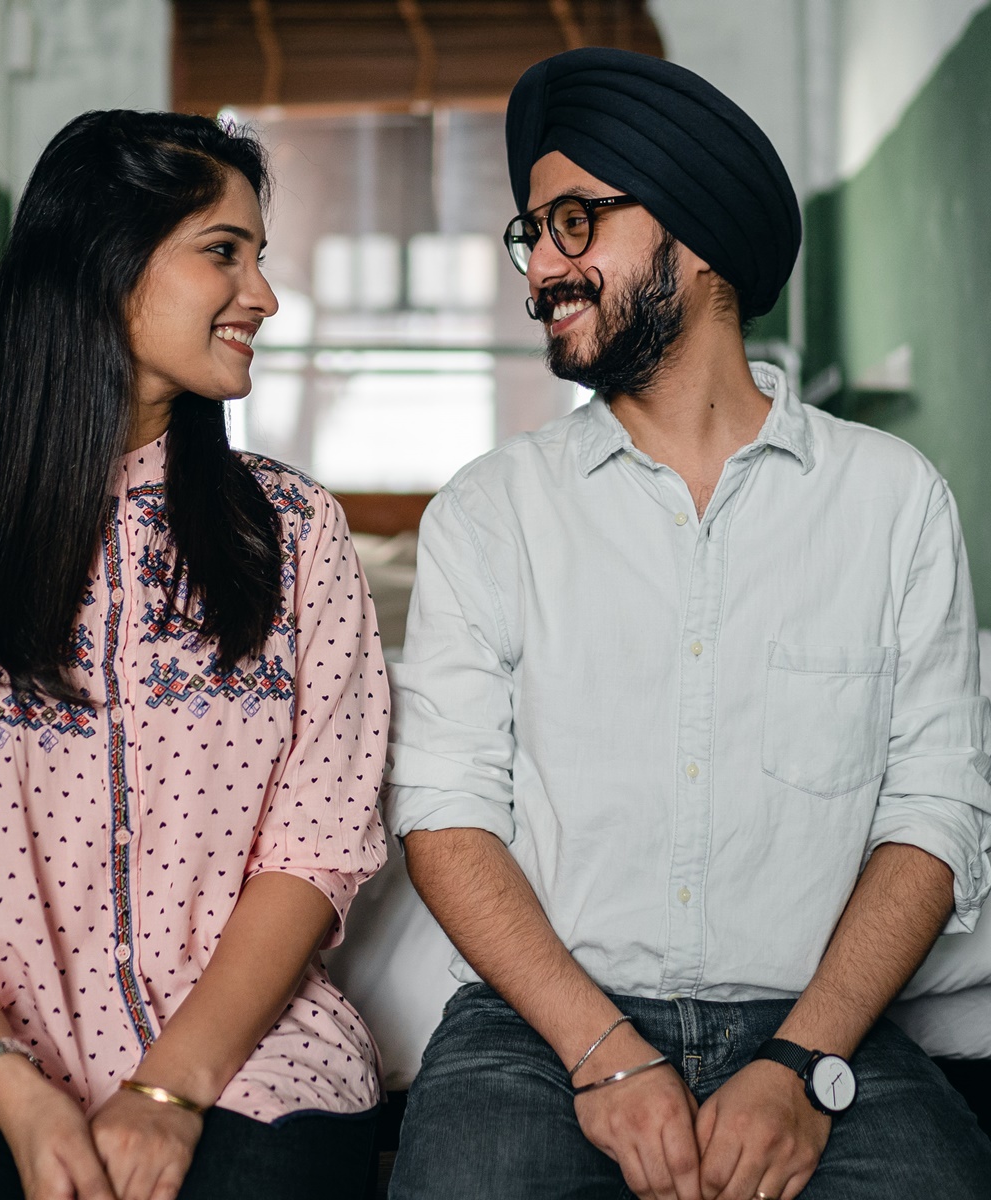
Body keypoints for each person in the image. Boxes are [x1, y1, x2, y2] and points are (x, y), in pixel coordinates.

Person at [385, 47, 991, 1200]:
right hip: (541, 1031)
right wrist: (605, 1052)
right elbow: (447, 814)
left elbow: (936, 807)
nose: (540, 273)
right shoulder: (487, 511)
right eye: (532, 234)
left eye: (574, 222)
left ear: (699, 238)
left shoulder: (893, 499)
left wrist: (803, 1062)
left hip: (823, 1026)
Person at [0, 110, 388, 1200]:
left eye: (262, 257)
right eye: (225, 252)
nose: (263, 295)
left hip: (236, 1044)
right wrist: (15, 1091)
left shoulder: (296, 539)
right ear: (102, 263)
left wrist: (169, 1091)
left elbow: (315, 850)